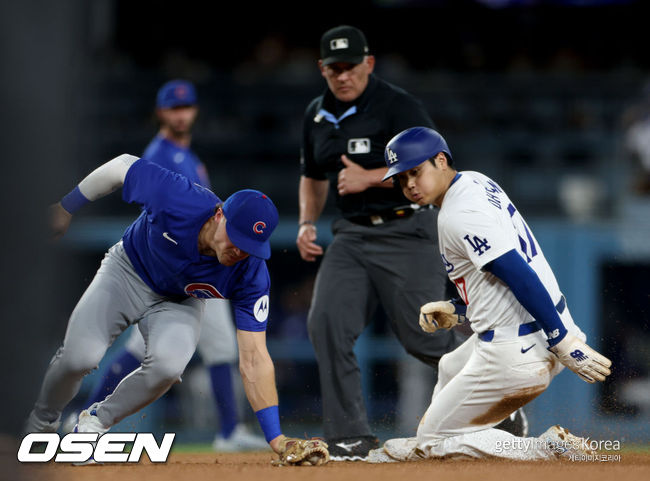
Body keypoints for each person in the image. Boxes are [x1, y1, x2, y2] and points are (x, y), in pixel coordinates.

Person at [297, 25, 525, 461]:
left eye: (350, 66)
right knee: (325, 324)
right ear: (322, 70)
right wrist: (308, 221)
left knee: (424, 339)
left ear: (369, 63)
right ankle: (350, 437)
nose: (342, 75)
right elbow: (312, 175)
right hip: (351, 234)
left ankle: (500, 410)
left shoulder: (398, 106)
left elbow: (436, 167)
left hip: (406, 230)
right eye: (333, 68)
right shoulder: (315, 114)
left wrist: (370, 177)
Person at [23, 152, 322, 464]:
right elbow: (121, 166)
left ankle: (93, 425)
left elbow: (255, 358)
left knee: (168, 366)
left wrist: (276, 437)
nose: (239, 251)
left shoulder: (251, 273)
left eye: (250, 247)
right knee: (78, 358)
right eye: (237, 238)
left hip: (179, 301)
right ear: (220, 215)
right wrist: (67, 207)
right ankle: (42, 422)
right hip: (127, 272)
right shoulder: (180, 198)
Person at [366, 126, 612, 462]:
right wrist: (457, 308)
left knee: (433, 443)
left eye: (416, 171)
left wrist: (563, 340)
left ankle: (543, 449)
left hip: (519, 348)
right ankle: (449, 438)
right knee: (451, 365)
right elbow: (500, 279)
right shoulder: (474, 181)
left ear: (440, 160)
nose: (409, 184)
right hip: (535, 326)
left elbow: (516, 272)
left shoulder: (458, 213)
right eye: (401, 177)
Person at [60, 79, 267, 451]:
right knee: (164, 351)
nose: (181, 114)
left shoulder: (188, 157)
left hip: (194, 270)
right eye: (173, 108)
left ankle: (82, 413)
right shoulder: (161, 152)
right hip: (172, 269)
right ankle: (82, 413)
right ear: (161, 112)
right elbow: (155, 206)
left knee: (150, 352)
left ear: (195, 111)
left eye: (186, 107)